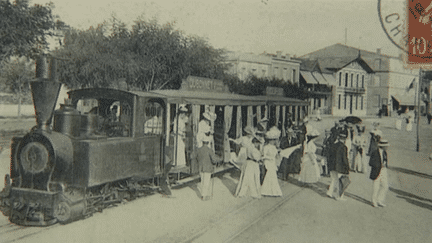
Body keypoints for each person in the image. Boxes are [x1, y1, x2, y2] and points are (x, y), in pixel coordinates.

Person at [197, 135, 222, 201]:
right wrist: (219, 160)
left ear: (202, 142)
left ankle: (203, 194)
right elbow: (214, 159)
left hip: (201, 168)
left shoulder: (199, 150)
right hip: (207, 168)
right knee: (206, 182)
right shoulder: (209, 150)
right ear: (208, 143)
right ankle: (204, 196)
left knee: (202, 182)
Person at [327, 132, 350, 201]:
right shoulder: (344, 147)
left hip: (332, 165)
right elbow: (344, 159)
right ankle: (338, 196)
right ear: (345, 139)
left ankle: (330, 192)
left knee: (334, 179)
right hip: (340, 167)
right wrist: (347, 167)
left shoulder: (333, 145)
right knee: (340, 182)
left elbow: (329, 156)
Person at [261, 127, 283, 197]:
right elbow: (263, 156)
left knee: (273, 176)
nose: (274, 141)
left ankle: (273, 191)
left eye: (274, 140)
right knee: (270, 176)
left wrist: (279, 154)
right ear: (270, 140)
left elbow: (276, 156)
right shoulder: (266, 147)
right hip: (268, 162)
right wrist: (269, 158)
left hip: (273, 163)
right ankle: (266, 191)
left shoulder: (274, 148)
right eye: (273, 140)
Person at [369, 139, 390, 207]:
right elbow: (371, 162)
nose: (387, 147)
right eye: (386, 146)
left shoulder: (384, 153)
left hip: (383, 171)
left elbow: (385, 160)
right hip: (377, 171)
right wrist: (379, 165)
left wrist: (385, 165)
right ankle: (373, 201)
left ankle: (379, 200)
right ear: (382, 146)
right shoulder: (375, 152)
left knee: (385, 186)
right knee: (376, 187)